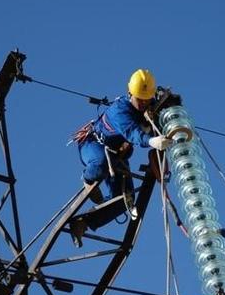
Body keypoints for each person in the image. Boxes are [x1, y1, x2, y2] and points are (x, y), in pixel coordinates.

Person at [71, 69, 172, 205]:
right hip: (93, 144)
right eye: (139, 99)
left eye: (146, 99)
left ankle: (86, 222)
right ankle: (87, 179)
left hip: (116, 153)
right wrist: (151, 141)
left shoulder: (148, 107)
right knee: (100, 164)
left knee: (125, 201)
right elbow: (132, 132)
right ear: (130, 93)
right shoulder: (119, 111)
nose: (143, 103)